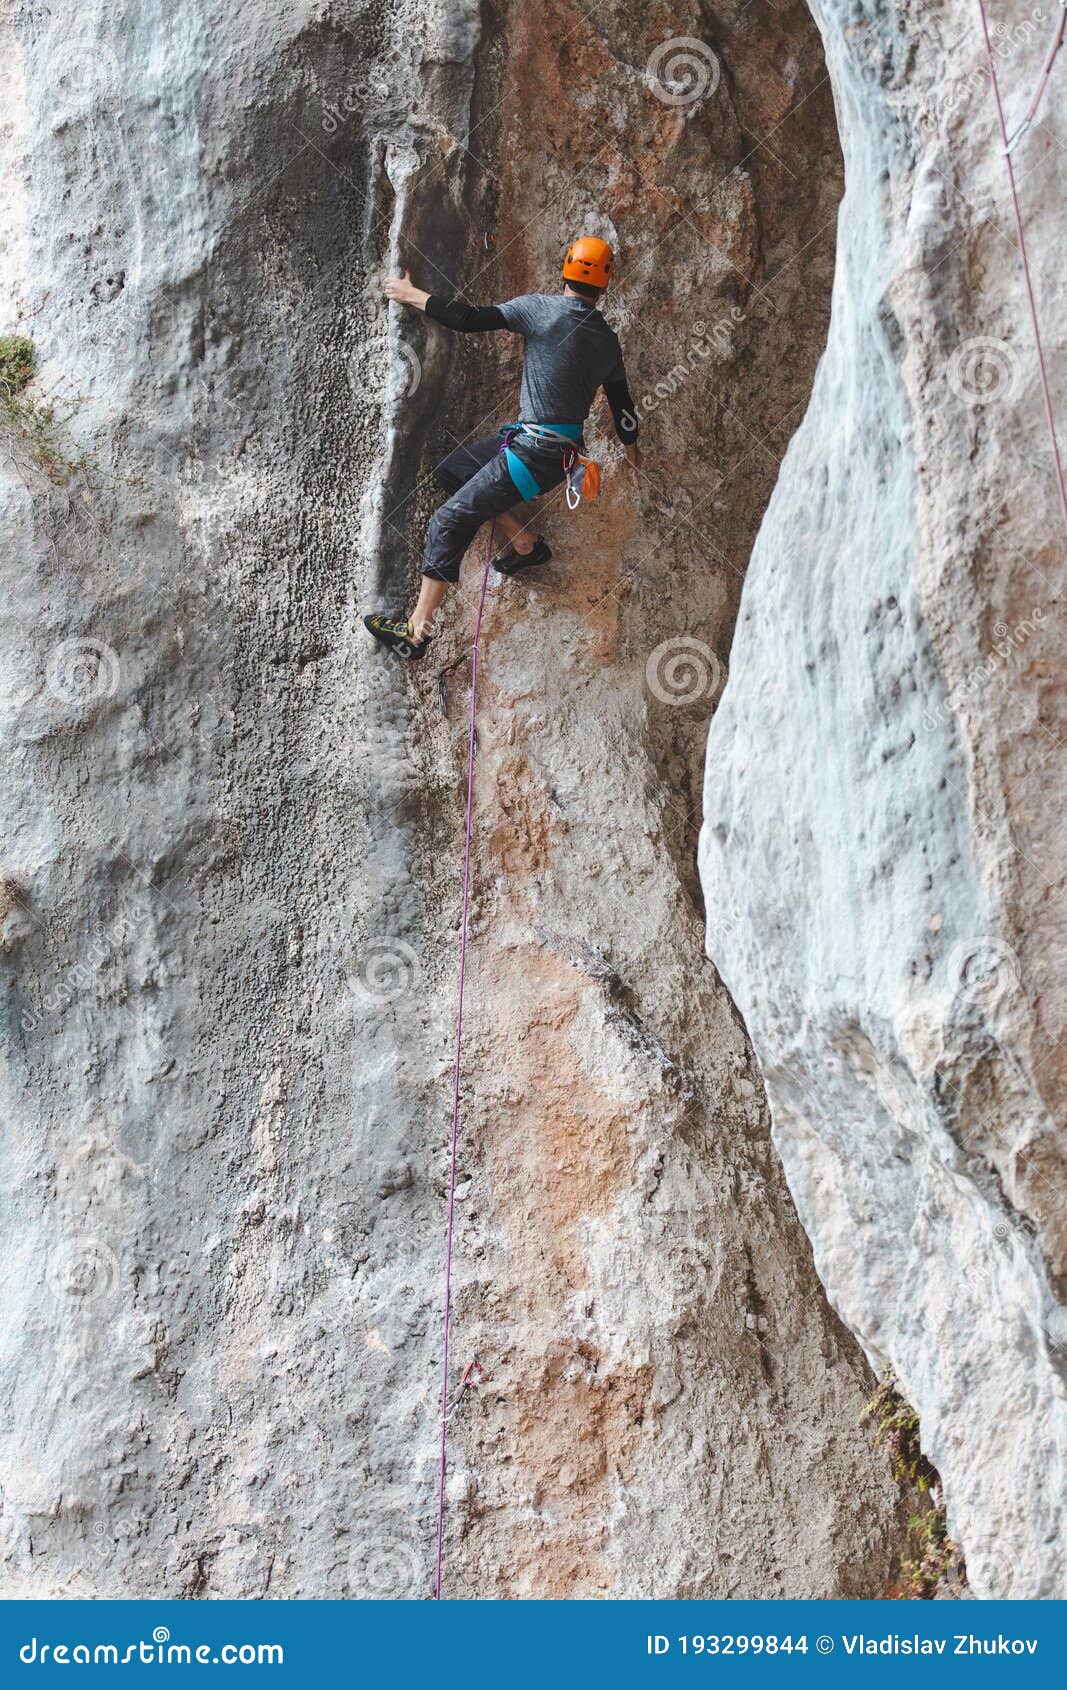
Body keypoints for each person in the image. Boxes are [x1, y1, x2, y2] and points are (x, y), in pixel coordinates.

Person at [363, 236, 641, 660]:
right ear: (606, 284)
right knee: (453, 473)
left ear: (565, 266)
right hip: (549, 455)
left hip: (532, 452)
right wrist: (633, 451)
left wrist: (409, 293)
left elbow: (468, 319)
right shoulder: (606, 340)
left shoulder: (540, 310)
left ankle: (416, 634)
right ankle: (526, 544)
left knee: (447, 520)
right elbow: (623, 407)